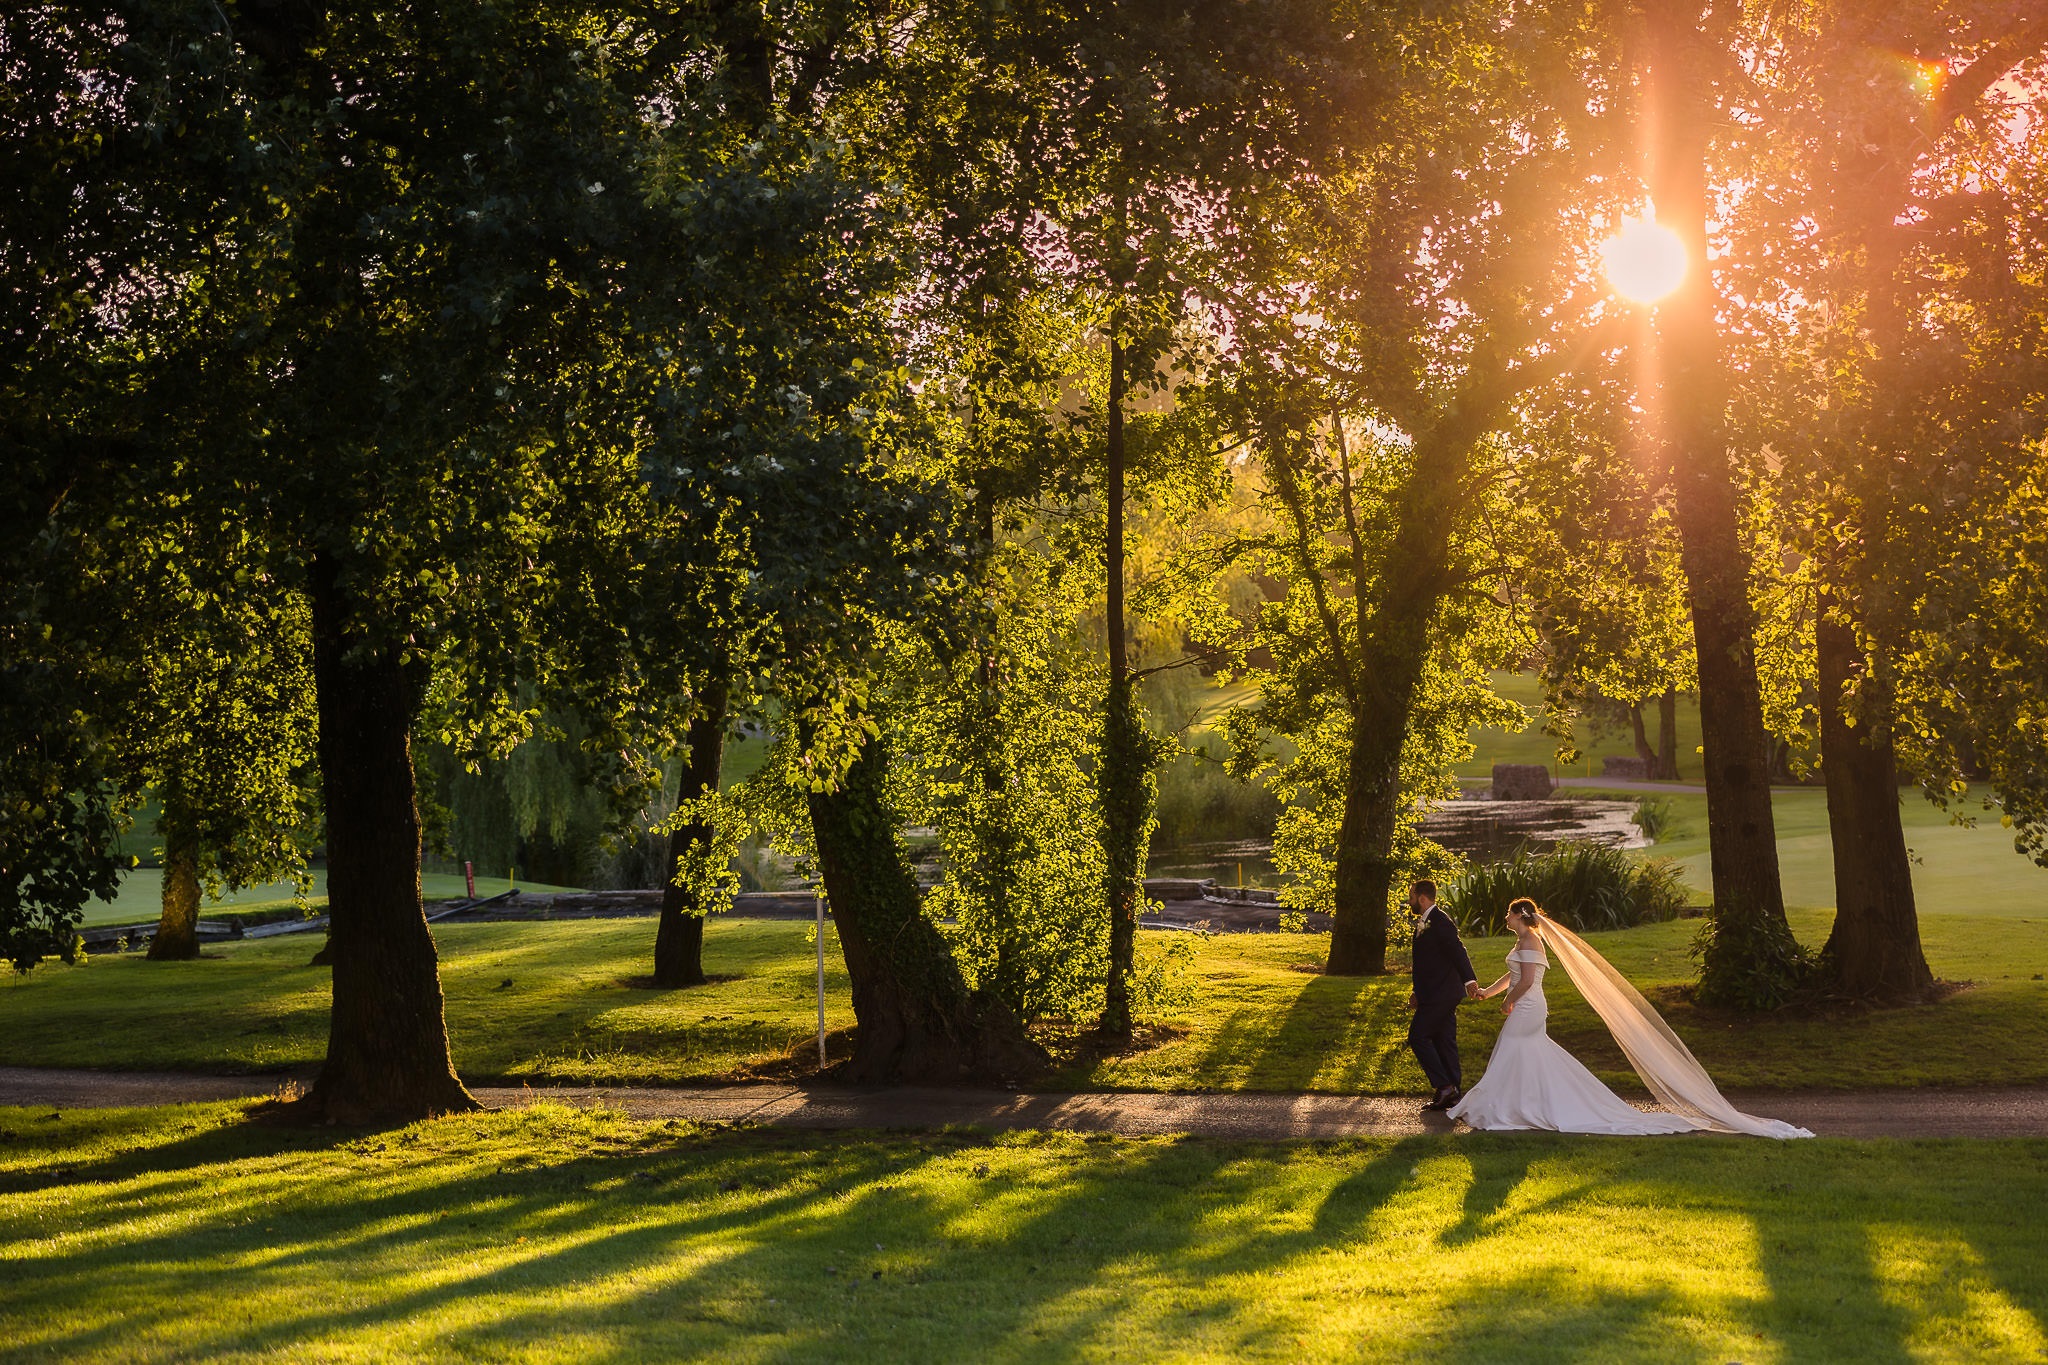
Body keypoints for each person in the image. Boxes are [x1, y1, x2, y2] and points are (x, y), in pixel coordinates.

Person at [1450, 898, 1812, 1139]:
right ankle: (1522, 1103)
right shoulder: (1520, 944)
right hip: (1525, 1004)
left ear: (1521, 917)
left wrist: (1507, 1003)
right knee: (1527, 1055)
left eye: (1510, 914)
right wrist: (1488, 992)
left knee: (1513, 1049)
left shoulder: (1530, 943)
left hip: (1529, 1007)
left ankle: (1510, 1106)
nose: (1506, 918)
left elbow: (1526, 982)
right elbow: (1513, 978)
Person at [1406, 879, 1481, 1113]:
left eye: (1411, 895)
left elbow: (1458, 951)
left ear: (1422, 898)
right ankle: (1453, 1092)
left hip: (1442, 993)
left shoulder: (1440, 921)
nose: (1409, 900)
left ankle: (1444, 1085)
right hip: (1434, 991)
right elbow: (1427, 963)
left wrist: (1470, 980)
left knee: (1417, 1036)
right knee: (1444, 1039)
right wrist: (1418, 991)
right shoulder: (1425, 922)